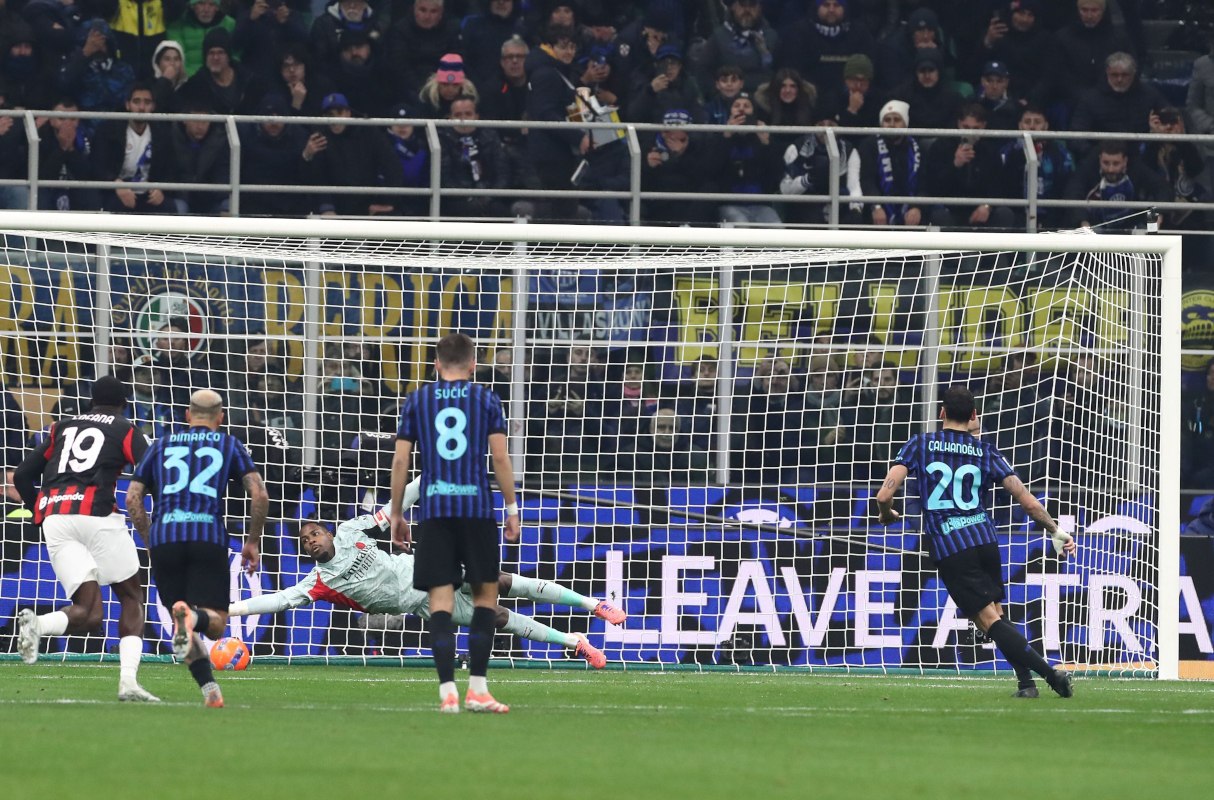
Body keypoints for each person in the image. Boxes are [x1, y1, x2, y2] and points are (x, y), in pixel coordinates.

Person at [876, 384, 1077, 699]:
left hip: (952, 544)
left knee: (987, 621)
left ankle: (1052, 674)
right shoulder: (986, 451)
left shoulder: (919, 444)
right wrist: (1055, 530)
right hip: (985, 539)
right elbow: (1027, 502)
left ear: (942, 412)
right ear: (973, 415)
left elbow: (884, 495)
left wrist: (887, 513)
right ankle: (1026, 685)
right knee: (996, 614)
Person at [228, 508, 622, 667]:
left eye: (315, 533)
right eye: (305, 540)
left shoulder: (350, 531)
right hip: (423, 603)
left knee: (499, 581)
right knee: (497, 617)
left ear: (329, 533)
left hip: (429, 568)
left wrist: (422, 477)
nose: (311, 540)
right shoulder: (317, 582)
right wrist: (229, 610)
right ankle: (576, 643)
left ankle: (592, 603)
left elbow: (390, 510)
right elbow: (278, 600)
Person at [389, 332, 520, 713]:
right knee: (485, 599)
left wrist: (396, 512)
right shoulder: (487, 399)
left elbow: (401, 460)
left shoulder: (418, 400)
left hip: (435, 512)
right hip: (477, 510)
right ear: (473, 365)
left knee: (441, 603)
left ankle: (448, 690)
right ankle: (478, 689)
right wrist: (512, 508)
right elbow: (500, 458)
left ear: (436, 364)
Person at [11, 377, 157, 701]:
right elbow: (151, 473)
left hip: (56, 518)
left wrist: (39, 511)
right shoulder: (125, 428)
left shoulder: (60, 428)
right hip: (97, 514)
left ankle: (38, 625)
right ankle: (128, 683)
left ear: (91, 401)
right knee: (131, 598)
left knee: (90, 614)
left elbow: (21, 475)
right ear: (124, 403)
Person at [125, 389, 268, 709]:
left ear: (188, 416)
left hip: (165, 538)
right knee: (215, 625)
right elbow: (259, 494)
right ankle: (192, 619)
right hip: (208, 537)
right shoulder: (229, 444)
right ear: (221, 417)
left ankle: (210, 690)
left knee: (184, 624)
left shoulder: (160, 445)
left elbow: (133, 497)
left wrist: (149, 540)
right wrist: (252, 541)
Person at [300, 93, 405, 216]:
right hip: (332, 205)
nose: (334, 118)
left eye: (339, 112)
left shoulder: (368, 132)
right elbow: (315, 177)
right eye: (329, 114)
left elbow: (392, 166)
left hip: (367, 204)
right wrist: (307, 156)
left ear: (348, 113)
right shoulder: (318, 137)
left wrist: (388, 202)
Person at [525, 24, 587, 221]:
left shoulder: (553, 70)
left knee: (563, 209)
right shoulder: (546, 73)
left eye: (572, 47)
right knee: (562, 211)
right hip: (552, 153)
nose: (569, 52)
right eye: (563, 46)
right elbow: (545, 113)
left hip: (555, 151)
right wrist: (579, 137)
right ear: (549, 47)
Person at [924, 104, 1013, 230]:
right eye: (966, 127)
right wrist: (955, 165)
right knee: (939, 215)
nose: (970, 133)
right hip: (950, 209)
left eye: (975, 128)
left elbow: (998, 187)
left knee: (1004, 213)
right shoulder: (941, 147)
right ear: (959, 124)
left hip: (981, 210)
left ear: (983, 126)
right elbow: (933, 187)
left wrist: (987, 206)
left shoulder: (990, 152)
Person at [777, 0, 873, 115]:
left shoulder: (860, 32)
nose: (831, 10)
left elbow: (868, 71)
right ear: (816, 7)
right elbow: (793, 71)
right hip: (808, 102)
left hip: (851, 101)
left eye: (837, 5)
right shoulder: (799, 31)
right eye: (826, 5)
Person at [95, 82, 176, 213]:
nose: (141, 107)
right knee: (113, 205)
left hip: (149, 195)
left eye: (147, 102)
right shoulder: (109, 130)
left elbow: (172, 169)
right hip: (117, 193)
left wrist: (161, 189)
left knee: (171, 207)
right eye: (136, 102)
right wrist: (116, 184)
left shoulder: (163, 133)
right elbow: (98, 166)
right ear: (127, 105)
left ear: (153, 106)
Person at [999, 104, 1075, 230]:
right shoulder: (1007, 152)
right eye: (1027, 122)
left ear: (1046, 126)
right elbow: (1004, 188)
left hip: (1052, 215)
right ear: (1020, 125)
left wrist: (1050, 219)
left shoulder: (1061, 154)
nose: (1032, 126)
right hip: (1018, 214)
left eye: (1037, 122)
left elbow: (1064, 188)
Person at [1064, 139, 1168, 229]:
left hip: (1131, 226)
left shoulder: (1136, 167)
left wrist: (1156, 214)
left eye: (1116, 163)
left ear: (1125, 161)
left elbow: (1163, 188)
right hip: (1096, 225)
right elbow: (1073, 192)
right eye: (1106, 163)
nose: (1111, 169)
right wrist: (1082, 220)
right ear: (1100, 159)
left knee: (1150, 229)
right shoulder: (1088, 166)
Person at [850, 99, 923, 226]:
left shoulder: (917, 148)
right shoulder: (869, 145)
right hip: (877, 208)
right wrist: (876, 206)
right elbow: (866, 181)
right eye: (887, 120)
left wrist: (917, 207)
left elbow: (925, 184)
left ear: (905, 123)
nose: (892, 124)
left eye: (897, 120)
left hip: (910, 209)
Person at [1052, 0, 1134, 111]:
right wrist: (1083, 96)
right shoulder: (1062, 38)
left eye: (1094, 10)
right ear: (1077, 11)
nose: (1089, 15)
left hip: (1112, 98)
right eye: (1084, 10)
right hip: (1072, 101)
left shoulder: (1119, 38)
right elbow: (1059, 73)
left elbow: (1130, 67)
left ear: (1103, 11)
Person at [439, 96, 512, 218]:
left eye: (468, 114)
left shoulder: (491, 136)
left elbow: (503, 172)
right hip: (456, 200)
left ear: (476, 116)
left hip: (490, 198)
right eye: (458, 115)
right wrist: (468, 197)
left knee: (499, 210)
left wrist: (489, 197)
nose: (463, 119)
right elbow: (444, 177)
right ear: (450, 118)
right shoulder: (442, 139)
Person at [642, 112, 718, 225]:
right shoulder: (648, 148)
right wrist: (649, 167)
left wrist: (682, 156)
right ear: (663, 133)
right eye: (671, 137)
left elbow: (702, 178)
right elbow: (641, 182)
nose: (675, 142)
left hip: (689, 199)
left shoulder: (698, 147)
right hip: (661, 201)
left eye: (681, 138)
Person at [716, 92, 779, 226]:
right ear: (730, 112)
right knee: (741, 226)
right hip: (729, 204)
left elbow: (776, 173)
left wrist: (766, 143)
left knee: (777, 229)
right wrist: (726, 137)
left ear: (754, 112)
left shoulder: (763, 137)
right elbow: (710, 169)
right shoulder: (719, 136)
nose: (741, 109)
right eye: (737, 106)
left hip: (761, 205)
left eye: (746, 106)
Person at [1071, 52, 1166, 138]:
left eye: (1125, 75)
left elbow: (1169, 119)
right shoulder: (1090, 100)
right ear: (1107, 73)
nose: (1119, 79)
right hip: (1102, 150)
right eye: (1114, 75)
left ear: (1133, 74)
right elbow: (1077, 135)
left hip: (1142, 149)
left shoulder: (1151, 96)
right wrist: (1094, 151)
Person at [694, 0, 778, 93]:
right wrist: (717, 93)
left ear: (759, 8)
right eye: (742, 4)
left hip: (764, 95)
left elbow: (782, 72)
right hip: (728, 95)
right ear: (734, 6)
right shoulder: (719, 36)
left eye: (752, 5)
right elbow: (702, 69)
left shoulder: (772, 37)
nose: (747, 10)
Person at [56, 19, 137, 115]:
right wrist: (85, 54)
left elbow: (130, 99)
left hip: (115, 121)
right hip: (81, 121)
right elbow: (62, 85)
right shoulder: (72, 65)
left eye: (102, 41)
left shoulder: (124, 70)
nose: (97, 45)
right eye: (92, 42)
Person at [38, 97, 102, 211]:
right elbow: (44, 176)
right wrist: (62, 148)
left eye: (73, 119)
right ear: (51, 120)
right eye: (61, 119)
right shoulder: (40, 137)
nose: (67, 123)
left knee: (90, 194)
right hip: (49, 188)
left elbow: (88, 175)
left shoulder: (88, 136)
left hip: (76, 187)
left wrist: (71, 149)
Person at [388, 0, 460, 97]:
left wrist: (438, 87)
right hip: (408, 89)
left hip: (443, 87)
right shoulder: (400, 30)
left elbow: (455, 61)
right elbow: (400, 65)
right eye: (422, 10)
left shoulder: (452, 30)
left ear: (441, 13)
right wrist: (422, 89)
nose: (427, 16)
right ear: (414, 10)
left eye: (433, 11)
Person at [178, 27, 253, 114]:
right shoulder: (194, 85)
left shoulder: (249, 81)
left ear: (228, 56)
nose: (216, 58)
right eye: (211, 53)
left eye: (220, 52)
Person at [232, 0, 307, 80]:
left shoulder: (292, 15)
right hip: (256, 78)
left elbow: (306, 43)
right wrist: (250, 20)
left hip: (285, 78)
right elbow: (236, 45)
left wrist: (287, 23)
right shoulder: (248, 15)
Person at [459, 0, 526, 86]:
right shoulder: (472, 26)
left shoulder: (522, 31)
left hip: (513, 88)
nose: (501, 2)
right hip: (475, 86)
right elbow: (463, 58)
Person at [165, 0, 235, 77]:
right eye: (201, 4)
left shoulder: (229, 24)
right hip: (188, 79)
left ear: (217, 7)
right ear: (193, 5)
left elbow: (234, 58)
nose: (206, 10)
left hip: (222, 78)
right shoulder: (176, 27)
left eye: (211, 5)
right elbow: (178, 60)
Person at [417, 52, 478, 118]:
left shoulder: (472, 101)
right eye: (445, 85)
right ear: (438, 84)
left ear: (461, 85)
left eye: (455, 85)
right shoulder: (425, 101)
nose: (450, 89)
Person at [149, 39, 186, 110]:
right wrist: (165, 80)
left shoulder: (188, 86)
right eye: (167, 59)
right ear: (158, 63)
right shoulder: (149, 85)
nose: (172, 63)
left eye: (176, 59)